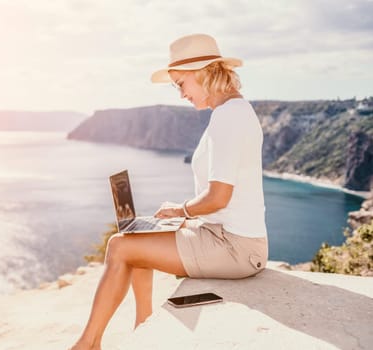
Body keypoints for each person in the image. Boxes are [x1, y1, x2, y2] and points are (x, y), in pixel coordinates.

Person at [70, 33, 268, 350]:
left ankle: (87, 345)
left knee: (120, 247)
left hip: (236, 248)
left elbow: (219, 197)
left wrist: (181, 211)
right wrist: (180, 215)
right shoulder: (231, 111)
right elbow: (222, 201)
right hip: (226, 235)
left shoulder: (229, 117)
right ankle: (142, 326)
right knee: (136, 238)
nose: (180, 94)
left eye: (180, 83)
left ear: (202, 72)